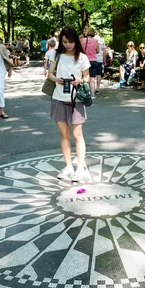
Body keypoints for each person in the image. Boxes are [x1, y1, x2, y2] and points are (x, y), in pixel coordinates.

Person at [48, 26, 91, 182]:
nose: (68, 45)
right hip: (59, 98)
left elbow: (87, 77)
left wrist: (80, 81)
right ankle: (68, 166)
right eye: (65, 42)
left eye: (71, 42)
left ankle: (80, 167)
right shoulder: (55, 54)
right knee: (64, 134)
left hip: (76, 100)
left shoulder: (82, 57)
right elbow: (50, 74)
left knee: (77, 134)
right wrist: (56, 79)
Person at [80, 28, 99, 98]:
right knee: (92, 78)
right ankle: (92, 94)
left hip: (85, 61)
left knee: (85, 77)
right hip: (94, 61)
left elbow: (80, 50)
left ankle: (86, 92)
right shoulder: (96, 41)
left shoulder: (82, 40)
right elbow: (98, 51)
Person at [94, 30, 106, 95]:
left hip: (93, 59)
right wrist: (104, 59)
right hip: (100, 59)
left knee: (93, 74)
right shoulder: (102, 40)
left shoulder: (92, 40)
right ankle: (98, 88)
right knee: (98, 74)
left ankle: (94, 87)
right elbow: (104, 51)